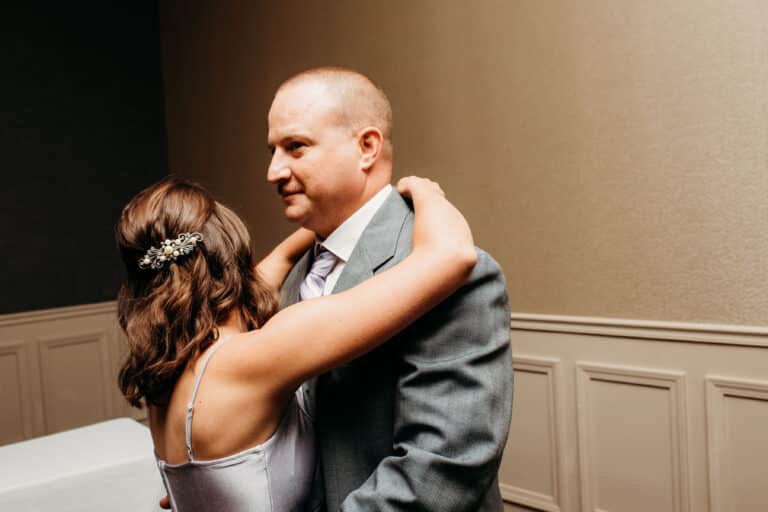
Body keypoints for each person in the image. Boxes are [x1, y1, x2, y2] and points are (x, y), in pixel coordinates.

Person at [116, 175, 477, 511]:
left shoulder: (164, 374)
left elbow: (281, 259)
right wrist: (426, 191)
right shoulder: (254, 359)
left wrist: (344, 212)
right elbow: (451, 255)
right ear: (227, 250)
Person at [268, 67, 513, 511]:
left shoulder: (449, 272)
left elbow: (443, 466)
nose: (273, 171)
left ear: (366, 147)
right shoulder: (288, 274)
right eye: (272, 151)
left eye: (295, 146)